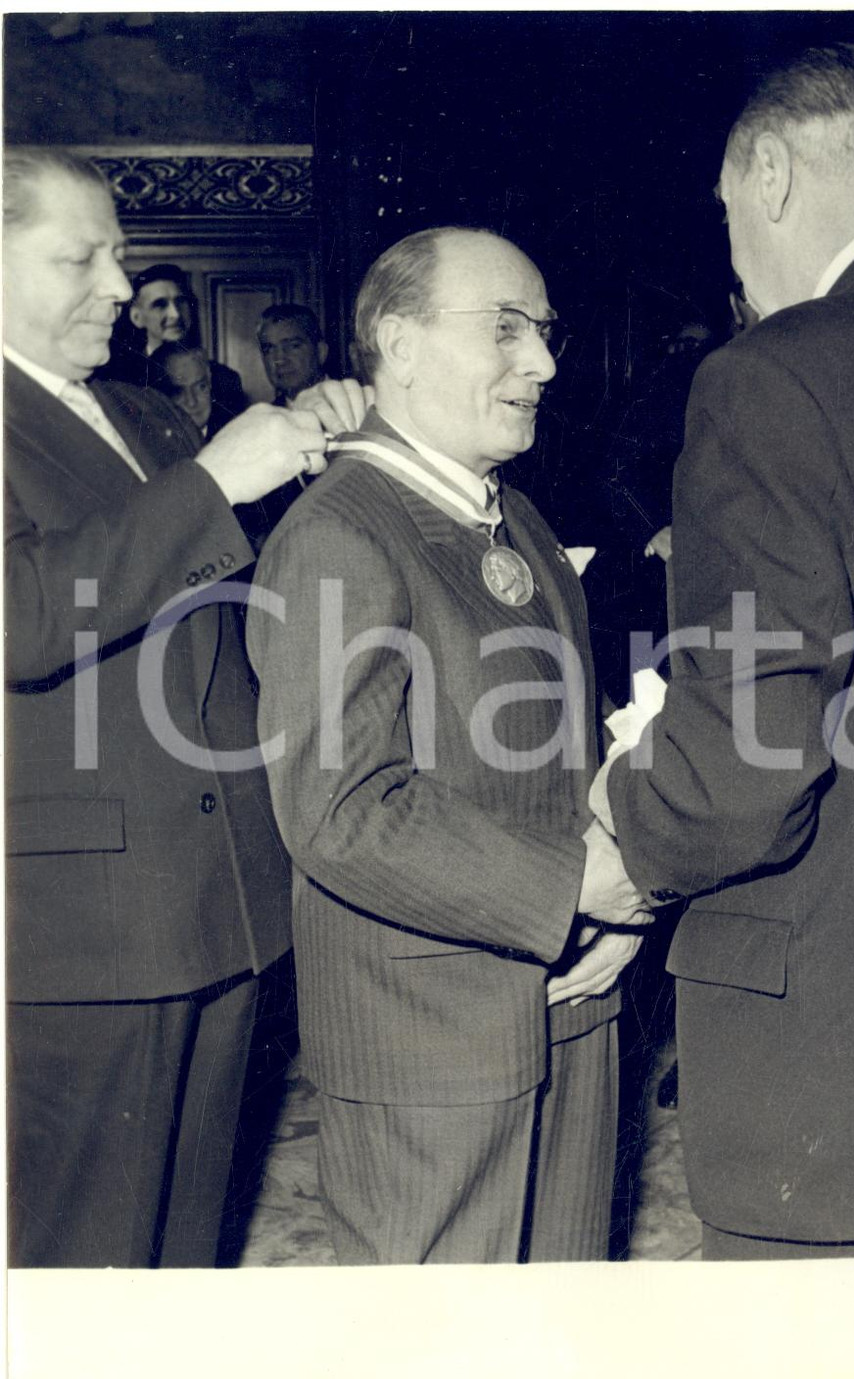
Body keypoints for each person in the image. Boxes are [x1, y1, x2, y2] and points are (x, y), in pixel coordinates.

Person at [594, 43, 854, 1259]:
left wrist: (618, 828)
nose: (734, 255)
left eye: (724, 216)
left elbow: (742, 769)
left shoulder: (777, 376)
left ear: (769, 173)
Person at [246, 226, 651, 1264]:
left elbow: (561, 748)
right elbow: (339, 809)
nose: (546, 363)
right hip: (426, 1037)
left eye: (546, 333)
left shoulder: (509, 514)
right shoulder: (343, 531)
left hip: (566, 1005)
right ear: (401, 343)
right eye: (505, 329)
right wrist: (576, 886)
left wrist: (621, 905)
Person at [4, 146, 330, 1268]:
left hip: (218, 898)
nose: (114, 283)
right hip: (80, 927)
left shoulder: (141, 415)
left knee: (186, 1254)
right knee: (78, 1260)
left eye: (120, 255)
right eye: (78, 257)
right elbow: (26, 616)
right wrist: (212, 482)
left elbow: (210, 607)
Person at [107, 261, 247, 417]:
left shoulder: (223, 379)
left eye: (180, 302)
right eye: (160, 305)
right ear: (137, 317)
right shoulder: (121, 380)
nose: (175, 314)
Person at [148, 341, 233, 439]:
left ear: (210, 382)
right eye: (178, 392)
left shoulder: (231, 437)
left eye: (201, 386)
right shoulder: (153, 444)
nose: (192, 402)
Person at [257, 303, 329, 405]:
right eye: (268, 349)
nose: (279, 359)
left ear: (321, 352)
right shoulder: (262, 418)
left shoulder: (354, 405)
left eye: (293, 346)